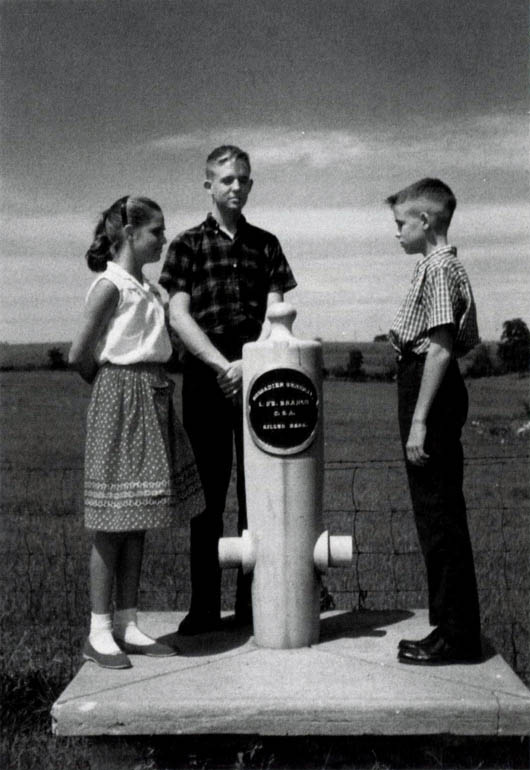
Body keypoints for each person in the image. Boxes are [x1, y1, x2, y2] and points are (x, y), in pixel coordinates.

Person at [159, 145, 297, 635]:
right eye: (225, 180)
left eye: (243, 179)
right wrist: (222, 365)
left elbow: (276, 313)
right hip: (205, 371)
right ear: (208, 186)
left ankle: (252, 604)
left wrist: (249, 363)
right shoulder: (186, 245)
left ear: (251, 184)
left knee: (257, 494)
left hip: (258, 369)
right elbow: (178, 314)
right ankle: (203, 609)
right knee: (209, 495)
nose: (235, 187)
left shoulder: (267, 244)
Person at [69, 195, 204, 669]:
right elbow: (79, 355)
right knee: (110, 524)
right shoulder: (110, 286)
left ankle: (127, 622)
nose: (164, 239)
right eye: (157, 231)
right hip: (122, 401)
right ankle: (99, 630)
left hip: (154, 397)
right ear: (129, 234)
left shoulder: (147, 289)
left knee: (137, 517)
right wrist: (114, 390)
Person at [385, 178, 482, 665]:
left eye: (401, 223)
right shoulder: (436, 266)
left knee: (439, 518)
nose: (397, 233)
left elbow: (441, 345)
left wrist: (419, 420)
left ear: (425, 222)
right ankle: (450, 627)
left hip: (430, 388)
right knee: (437, 516)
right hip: (427, 386)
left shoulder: (440, 269)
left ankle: (456, 634)